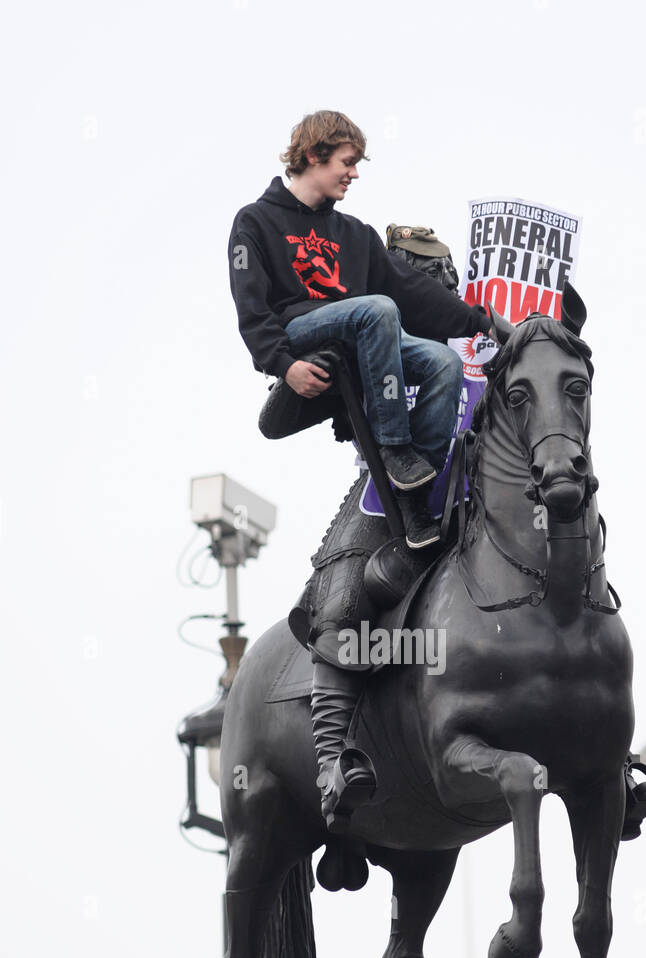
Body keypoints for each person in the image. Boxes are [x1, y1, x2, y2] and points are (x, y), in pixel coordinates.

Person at [228, 110, 495, 829]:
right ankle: (330, 750)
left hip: (380, 345)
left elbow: (415, 303)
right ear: (313, 154)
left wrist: (476, 320)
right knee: (372, 310)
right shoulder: (257, 223)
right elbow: (252, 312)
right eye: (346, 161)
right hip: (304, 333)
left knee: (433, 357)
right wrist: (284, 365)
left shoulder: (354, 237)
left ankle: (418, 469)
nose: (352, 174)